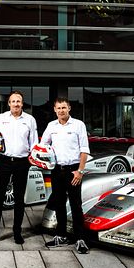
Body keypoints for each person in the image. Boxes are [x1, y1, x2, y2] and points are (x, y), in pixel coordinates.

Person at [0, 90, 38, 245]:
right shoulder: (0, 118)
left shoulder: (30, 120)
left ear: (22, 104)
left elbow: (34, 143)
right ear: (9, 103)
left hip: (22, 162)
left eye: (18, 101)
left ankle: (17, 233)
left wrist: (33, 160)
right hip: (3, 161)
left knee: (19, 199)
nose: (16, 104)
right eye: (13, 101)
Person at [41, 97, 90, 254]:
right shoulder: (51, 126)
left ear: (69, 108)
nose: (61, 110)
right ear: (55, 110)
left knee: (76, 205)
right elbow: (43, 145)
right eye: (58, 108)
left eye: (64, 107)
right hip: (57, 170)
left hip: (73, 170)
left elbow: (84, 149)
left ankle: (80, 238)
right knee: (59, 203)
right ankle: (61, 235)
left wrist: (80, 171)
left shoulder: (78, 125)